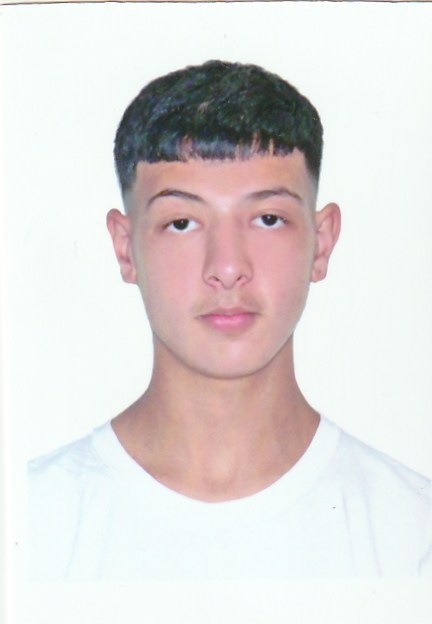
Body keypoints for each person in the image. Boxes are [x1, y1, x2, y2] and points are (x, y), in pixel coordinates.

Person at [28, 60, 431, 581]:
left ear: (321, 242)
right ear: (126, 248)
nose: (226, 267)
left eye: (268, 219)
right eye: (182, 222)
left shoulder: (411, 535)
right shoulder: (33, 527)